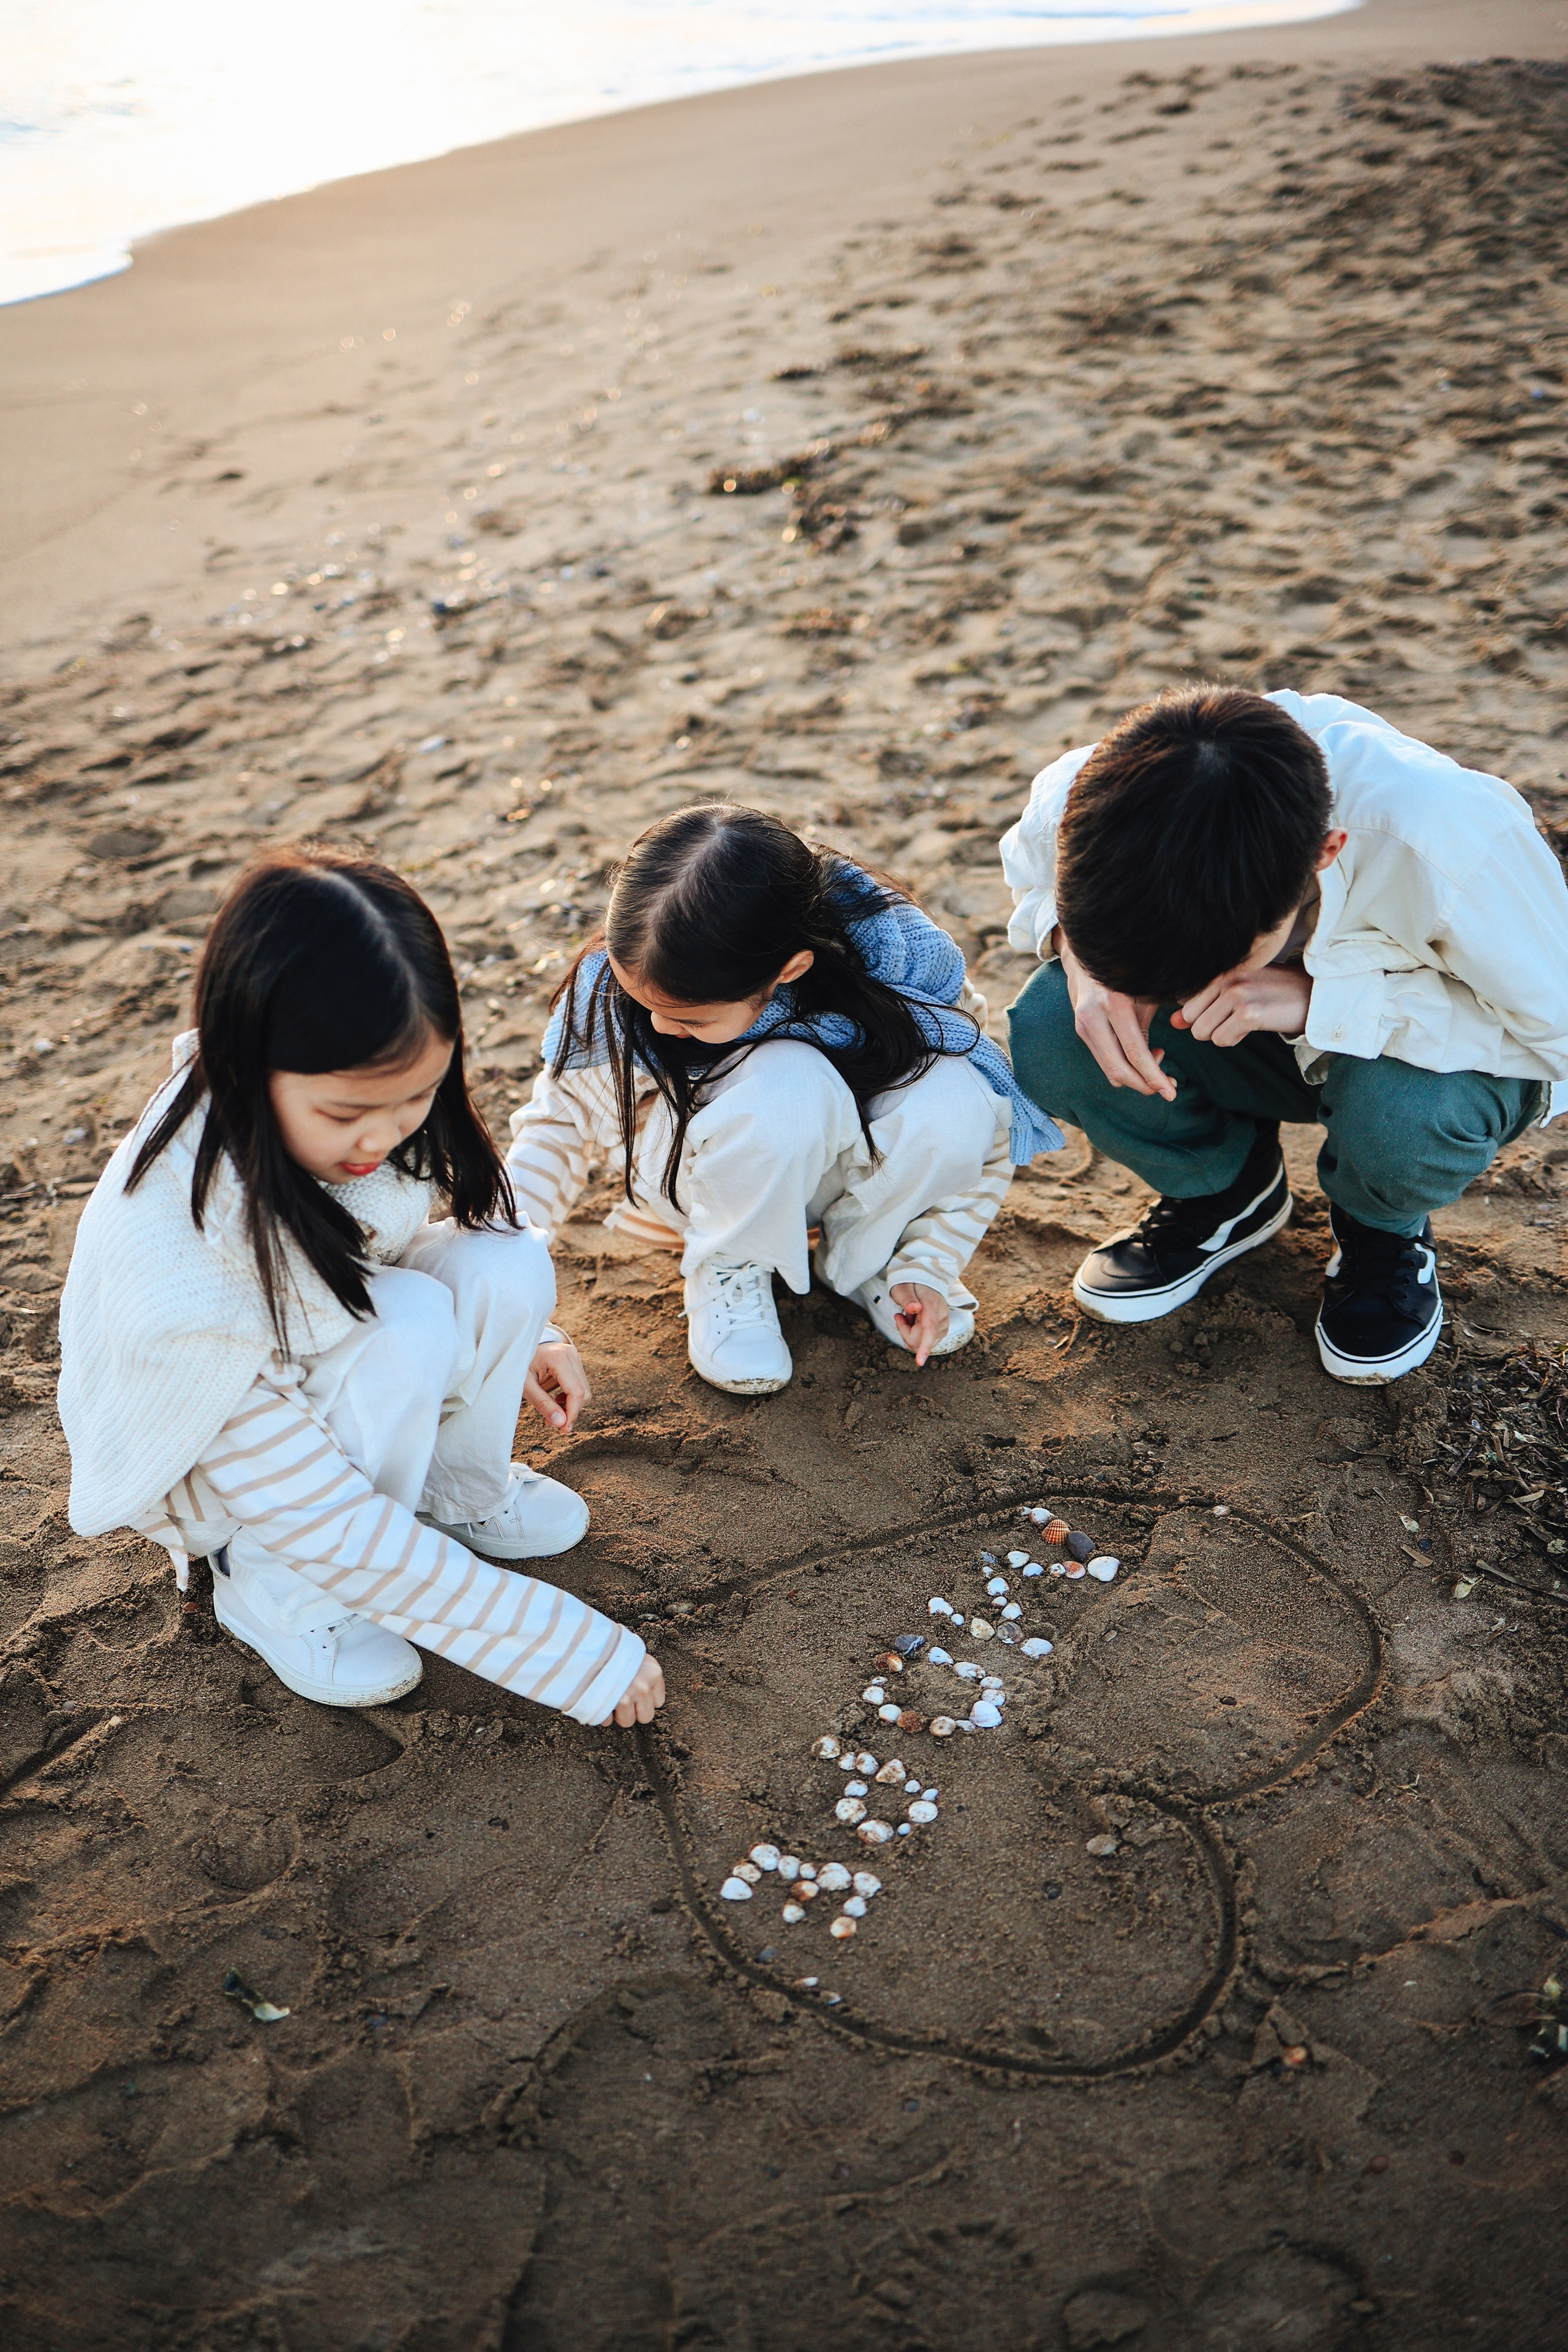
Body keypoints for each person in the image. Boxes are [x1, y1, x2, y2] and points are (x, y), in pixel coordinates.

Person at [58, 845, 664, 1726]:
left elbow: (389, 1233)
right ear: (244, 1060)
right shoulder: (185, 1261)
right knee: (408, 1326)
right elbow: (321, 1509)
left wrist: (524, 1335)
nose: (381, 1136)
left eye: (415, 1097)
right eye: (345, 1113)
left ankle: (451, 1495)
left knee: (503, 1261)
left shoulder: (355, 1106)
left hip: (319, 1350)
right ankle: (269, 1583)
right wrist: (571, 1651)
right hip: (230, 1467)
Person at [1001, 687, 1568, 1384]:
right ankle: (1225, 1189)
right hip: (1240, 1044)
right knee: (1053, 1026)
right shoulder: (1090, 794)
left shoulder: (1453, 841)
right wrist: (1081, 959)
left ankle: (1380, 1230)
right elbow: (1035, 880)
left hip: (1408, 1067)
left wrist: (1327, 1002)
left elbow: (1556, 1038)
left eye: (1209, 966)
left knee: (1403, 1118)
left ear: (1325, 852)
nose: (1181, 990)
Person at [505, 804, 1058, 1395]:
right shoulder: (620, 984)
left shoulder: (902, 970)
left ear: (790, 970)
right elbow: (554, 1129)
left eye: (689, 1018)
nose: (658, 1027)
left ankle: (875, 1260)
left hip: (845, 1176)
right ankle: (730, 1266)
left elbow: (981, 1126)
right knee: (788, 1078)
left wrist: (930, 1260)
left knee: (954, 1091)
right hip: (704, 1175)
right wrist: (510, 1293)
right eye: (644, 1004)